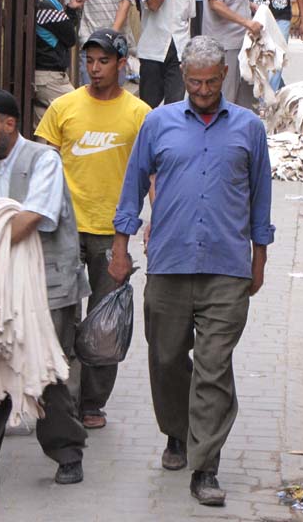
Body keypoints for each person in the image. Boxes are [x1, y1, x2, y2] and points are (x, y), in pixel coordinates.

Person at [108, 36, 274, 507]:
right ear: (184, 78)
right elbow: (133, 186)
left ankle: (206, 465)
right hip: (169, 262)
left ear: (224, 76)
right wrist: (120, 247)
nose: (202, 90)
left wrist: (258, 259)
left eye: (210, 82)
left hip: (227, 267)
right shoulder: (157, 122)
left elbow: (261, 197)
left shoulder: (249, 128)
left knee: (214, 367)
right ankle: (176, 433)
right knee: (164, 359)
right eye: (194, 82)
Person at [0, 89, 90, 490]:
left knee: (45, 371)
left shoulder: (43, 160)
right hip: (1, 287)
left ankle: (67, 452)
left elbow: (33, 218)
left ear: (9, 124)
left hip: (47, 285)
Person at [35, 29, 151, 430]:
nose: (95, 69)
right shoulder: (63, 107)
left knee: (105, 323)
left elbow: (153, 174)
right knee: (60, 318)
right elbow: (43, 168)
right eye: (90, 61)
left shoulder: (140, 114)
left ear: (122, 64)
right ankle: (63, 402)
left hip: (111, 232)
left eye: (104, 61)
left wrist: (156, 221)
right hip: (63, 230)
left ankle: (93, 403)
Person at [138, 0, 195, 107]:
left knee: (176, 105)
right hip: (153, 51)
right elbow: (153, 5)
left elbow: (188, 17)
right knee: (149, 106)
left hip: (179, 51)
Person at [32, 0, 83, 125]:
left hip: (39, 76)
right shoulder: (46, 1)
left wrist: (70, 9)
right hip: (50, 76)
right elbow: (69, 37)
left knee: (44, 129)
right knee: (79, 110)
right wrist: (70, 12)